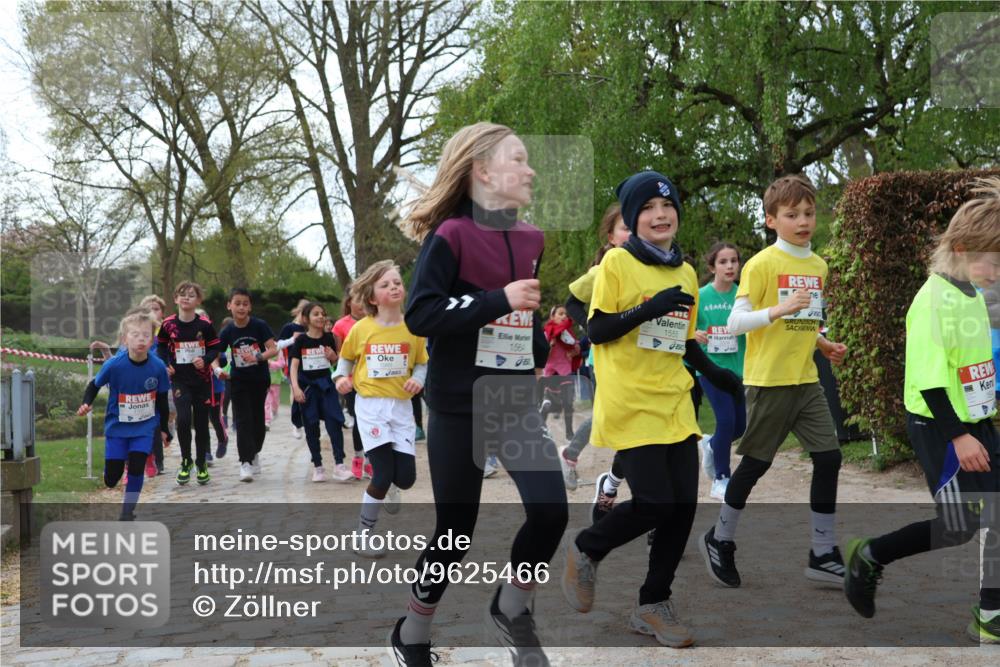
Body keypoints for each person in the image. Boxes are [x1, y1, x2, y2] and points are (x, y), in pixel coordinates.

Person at [390, 122, 567, 667]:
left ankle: (511, 608)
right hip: (457, 403)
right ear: (483, 172)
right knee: (455, 536)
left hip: (512, 400)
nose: (531, 169)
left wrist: (532, 338)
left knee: (551, 512)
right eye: (519, 159)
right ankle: (412, 635)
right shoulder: (452, 237)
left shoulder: (532, 238)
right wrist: (498, 300)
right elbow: (421, 315)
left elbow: (517, 316)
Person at [559, 170, 742, 648]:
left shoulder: (684, 272)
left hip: (674, 398)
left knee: (681, 506)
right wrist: (649, 307)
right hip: (630, 399)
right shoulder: (617, 263)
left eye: (667, 207)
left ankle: (652, 604)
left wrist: (718, 375)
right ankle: (586, 547)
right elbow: (596, 330)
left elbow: (681, 342)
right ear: (632, 219)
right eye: (647, 210)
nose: (660, 216)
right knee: (655, 501)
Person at [844, 177, 1000, 643]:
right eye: (993, 261)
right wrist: (959, 435)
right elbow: (932, 381)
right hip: (940, 426)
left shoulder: (971, 295)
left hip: (974, 421)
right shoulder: (933, 299)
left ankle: (990, 614)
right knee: (960, 527)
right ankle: (871, 555)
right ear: (960, 247)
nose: (997, 272)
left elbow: (969, 364)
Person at [699, 174, 849, 590]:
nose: (803, 221)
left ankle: (822, 552)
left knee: (829, 458)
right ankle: (720, 538)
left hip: (805, 379)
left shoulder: (818, 265)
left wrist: (822, 343)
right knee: (756, 464)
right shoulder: (763, 263)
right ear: (770, 220)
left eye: (809, 213)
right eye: (791, 214)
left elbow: (803, 320)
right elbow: (735, 322)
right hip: (768, 381)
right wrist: (779, 309)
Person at [333, 261, 428, 556]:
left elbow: (423, 361)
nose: (394, 287)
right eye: (385, 285)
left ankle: (389, 487)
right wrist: (339, 377)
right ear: (372, 297)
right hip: (371, 406)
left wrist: (417, 378)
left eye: (397, 282)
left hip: (401, 408)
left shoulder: (413, 327)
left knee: (406, 478)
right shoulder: (362, 329)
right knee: (383, 473)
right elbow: (345, 360)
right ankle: (363, 534)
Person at [561, 203, 630, 493]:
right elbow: (571, 303)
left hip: (638, 356)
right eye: (625, 228)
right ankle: (572, 456)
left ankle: (618, 475)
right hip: (605, 356)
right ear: (611, 237)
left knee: (624, 413)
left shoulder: (650, 267)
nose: (632, 233)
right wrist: (591, 328)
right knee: (608, 412)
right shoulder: (603, 269)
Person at [77, 310, 170, 520]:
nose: (141, 339)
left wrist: (164, 429)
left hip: (144, 427)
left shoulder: (158, 367)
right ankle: (118, 464)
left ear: (152, 339)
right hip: (117, 427)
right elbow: (93, 385)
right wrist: (85, 404)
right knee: (111, 479)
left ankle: (127, 512)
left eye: (146, 335)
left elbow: (162, 401)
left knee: (137, 465)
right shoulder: (115, 364)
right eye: (135, 335)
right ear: (124, 339)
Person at [694, 242, 747, 501]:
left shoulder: (743, 296)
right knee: (725, 421)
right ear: (712, 266)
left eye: (734, 261)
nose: (730, 266)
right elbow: (685, 328)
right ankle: (721, 479)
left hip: (738, 369)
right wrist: (694, 334)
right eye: (723, 262)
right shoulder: (700, 296)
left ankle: (712, 444)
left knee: (739, 428)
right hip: (710, 368)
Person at [157, 282, 223, 486]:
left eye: (191, 295)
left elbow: (215, 348)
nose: (186, 298)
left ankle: (201, 462)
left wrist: (205, 359)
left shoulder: (204, 325)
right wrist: (166, 364)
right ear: (175, 299)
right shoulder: (168, 325)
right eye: (182, 294)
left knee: (202, 423)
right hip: (179, 380)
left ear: (198, 300)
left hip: (202, 381)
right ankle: (186, 461)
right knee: (184, 419)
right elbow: (160, 348)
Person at [217, 288, 279, 482]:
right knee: (242, 420)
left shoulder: (259, 325)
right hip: (238, 381)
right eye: (237, 303)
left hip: (259, 379)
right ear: (229, 306)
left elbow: (273, 349)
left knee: (257, 422)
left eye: (245, 303)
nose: (241, 307)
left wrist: (258, 356)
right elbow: (215, 354)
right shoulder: (228, 331)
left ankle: (254, 453)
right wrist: (218, 370)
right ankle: (245, 462)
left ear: (250, 306)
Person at [290, 301, 352, 482]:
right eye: (316, 314)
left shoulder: (330, 338)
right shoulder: (301, 340)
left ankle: (339, 465)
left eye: (322, 313)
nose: (320, 317)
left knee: (334, 421)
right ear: (306, 318)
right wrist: (295, 388)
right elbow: (293, 366)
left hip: (326, 386)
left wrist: (334, 357)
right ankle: (318, 466)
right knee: (311, 426)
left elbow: (339, 361)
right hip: (307, 387)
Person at [333, 290, 372, 479]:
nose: (361, 304)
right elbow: (339, 354)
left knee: (372, 418)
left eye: (364, 299)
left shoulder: (376, 321)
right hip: (351, 379)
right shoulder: (341, 325)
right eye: (357, 300)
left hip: (372, 379)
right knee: (358, 417)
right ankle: (358, 457)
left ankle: (370, 460)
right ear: (349, 302)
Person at [539, 305, 581, 440]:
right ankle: (542, 428)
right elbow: (542, 355)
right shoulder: (547, 332)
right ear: (552, 317)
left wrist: (574, 351)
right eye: (560, 314)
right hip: (550, 372)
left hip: (564, 370)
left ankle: (569, 433)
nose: (564, 316)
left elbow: (576, 349)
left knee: (568, 403)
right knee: (549, 404)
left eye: (565, 314)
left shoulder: (567, 333)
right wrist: (551, 344)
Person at [277, 300, 309, 438]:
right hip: (293, 363)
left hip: (309, 363)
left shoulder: (310, 328)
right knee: (294, 389)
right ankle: (296, 424)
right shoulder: (289, 327)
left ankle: (307, 420)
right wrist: (292, 339)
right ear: (300, 312)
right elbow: (278, 345)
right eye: (306, 315)